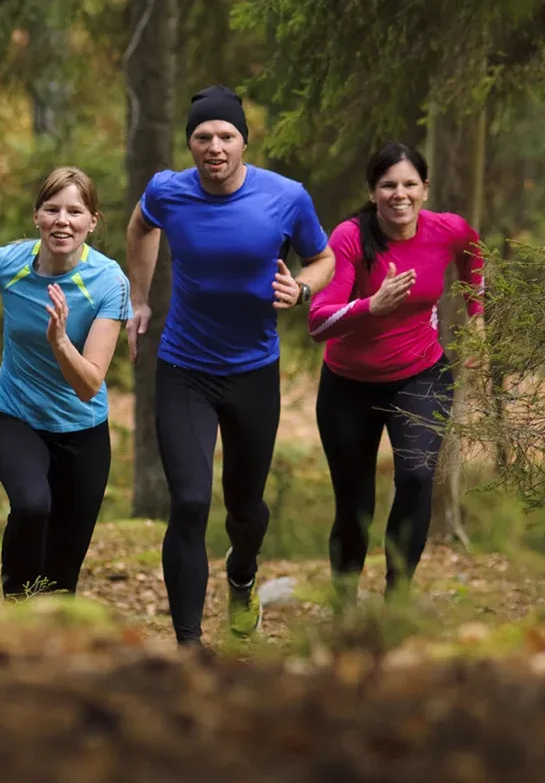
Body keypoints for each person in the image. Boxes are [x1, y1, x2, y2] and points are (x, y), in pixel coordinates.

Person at [125, 84, 336, 646]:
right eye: (202, 137)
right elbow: (141, 226)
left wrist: (305, 290)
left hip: (253, 372)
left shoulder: (286, 196)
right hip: (184, 368)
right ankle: (189, 642)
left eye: (225, 136)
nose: (214, 146)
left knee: (245, 508)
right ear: (190, 143)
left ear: (244, 141)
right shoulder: (167, 191)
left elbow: (323, 258)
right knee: (190, 501)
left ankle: (242, 574)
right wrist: (139, 297)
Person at [306, 141, 484, 601]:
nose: (399, 194)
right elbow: (318, 322)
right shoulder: (348, 239)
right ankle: (344, 602)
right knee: (354, 505)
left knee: (417, 477)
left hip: (420, 374)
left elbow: (473, 256)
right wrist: (372, 305)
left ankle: (397, 598)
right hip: (348, 386)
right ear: (373, 193)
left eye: (409, 184)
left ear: (425, 189)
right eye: (388, 185)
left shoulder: (448, 230)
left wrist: (477, 317)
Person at [0, 167, 132, 599]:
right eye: (52, 209)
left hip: (83, 432)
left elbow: (88, 385)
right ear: (37, 217)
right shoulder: (10, 264)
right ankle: (14, 609)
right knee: (32, 505)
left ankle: (49, 644)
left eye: (74, 211)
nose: (62, 220)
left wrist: (61, 342)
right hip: (14, 418)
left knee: (63, 572)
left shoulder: (110, 282)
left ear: (92, 221)